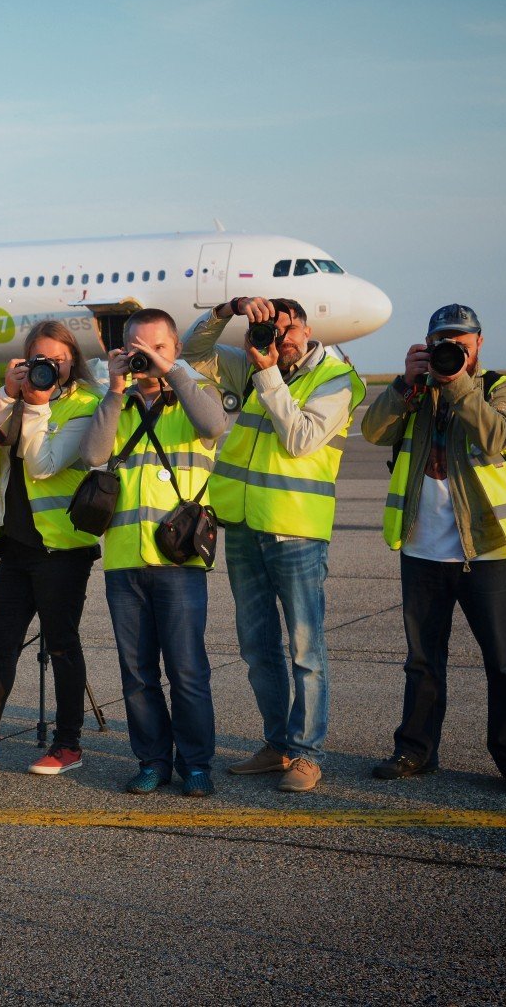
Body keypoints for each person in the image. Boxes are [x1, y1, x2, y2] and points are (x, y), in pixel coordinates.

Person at [182, 296, 366, 793]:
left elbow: (301, 439)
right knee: (256, 646)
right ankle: (277, 743)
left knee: (305, 646)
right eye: (267, 332)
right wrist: (228, 310)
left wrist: (268, 377)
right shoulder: (249, 360)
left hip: (296, 530)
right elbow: (192, 347)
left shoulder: (335, 378)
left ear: (305, 330)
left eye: (285, 333)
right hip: (242, 525)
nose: (277, 342)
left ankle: (307, 754)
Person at [361, 303, 506, 795]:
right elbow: (373, 432)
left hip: (486, 549)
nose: (452, 350)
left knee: (504, 661)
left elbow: (497, 436)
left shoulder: (500, 389)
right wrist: (404, 384)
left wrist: (460, 382)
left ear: (478, 344)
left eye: (461, 343)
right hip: (422, 547)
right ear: (427, 343)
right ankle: (415, 750)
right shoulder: (416, 392)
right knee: (422, 660)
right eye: (444, 342)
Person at [78, 308, 229, 797]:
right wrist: (116, 389)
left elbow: (214, 423)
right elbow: (93, 455)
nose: (146, 357)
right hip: (124, 561)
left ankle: (197, 763)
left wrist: (169, 373)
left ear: (175, 350)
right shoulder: (117, 406)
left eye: (157, 349)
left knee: (187, 670)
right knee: (137, 674)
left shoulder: (193, 396)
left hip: (177, 562)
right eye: (136, 349)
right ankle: (152, 760)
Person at [0, 321, 103, 776]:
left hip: (63, 546)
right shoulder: (18, 399)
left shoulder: (87, 405)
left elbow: (43, 465)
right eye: (37, 359)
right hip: (17, 544)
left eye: (56, 360)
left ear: (72, 361)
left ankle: (68, 744)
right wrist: (6, 395)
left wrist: (37, 405)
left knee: (61, 645)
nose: (47, 368)